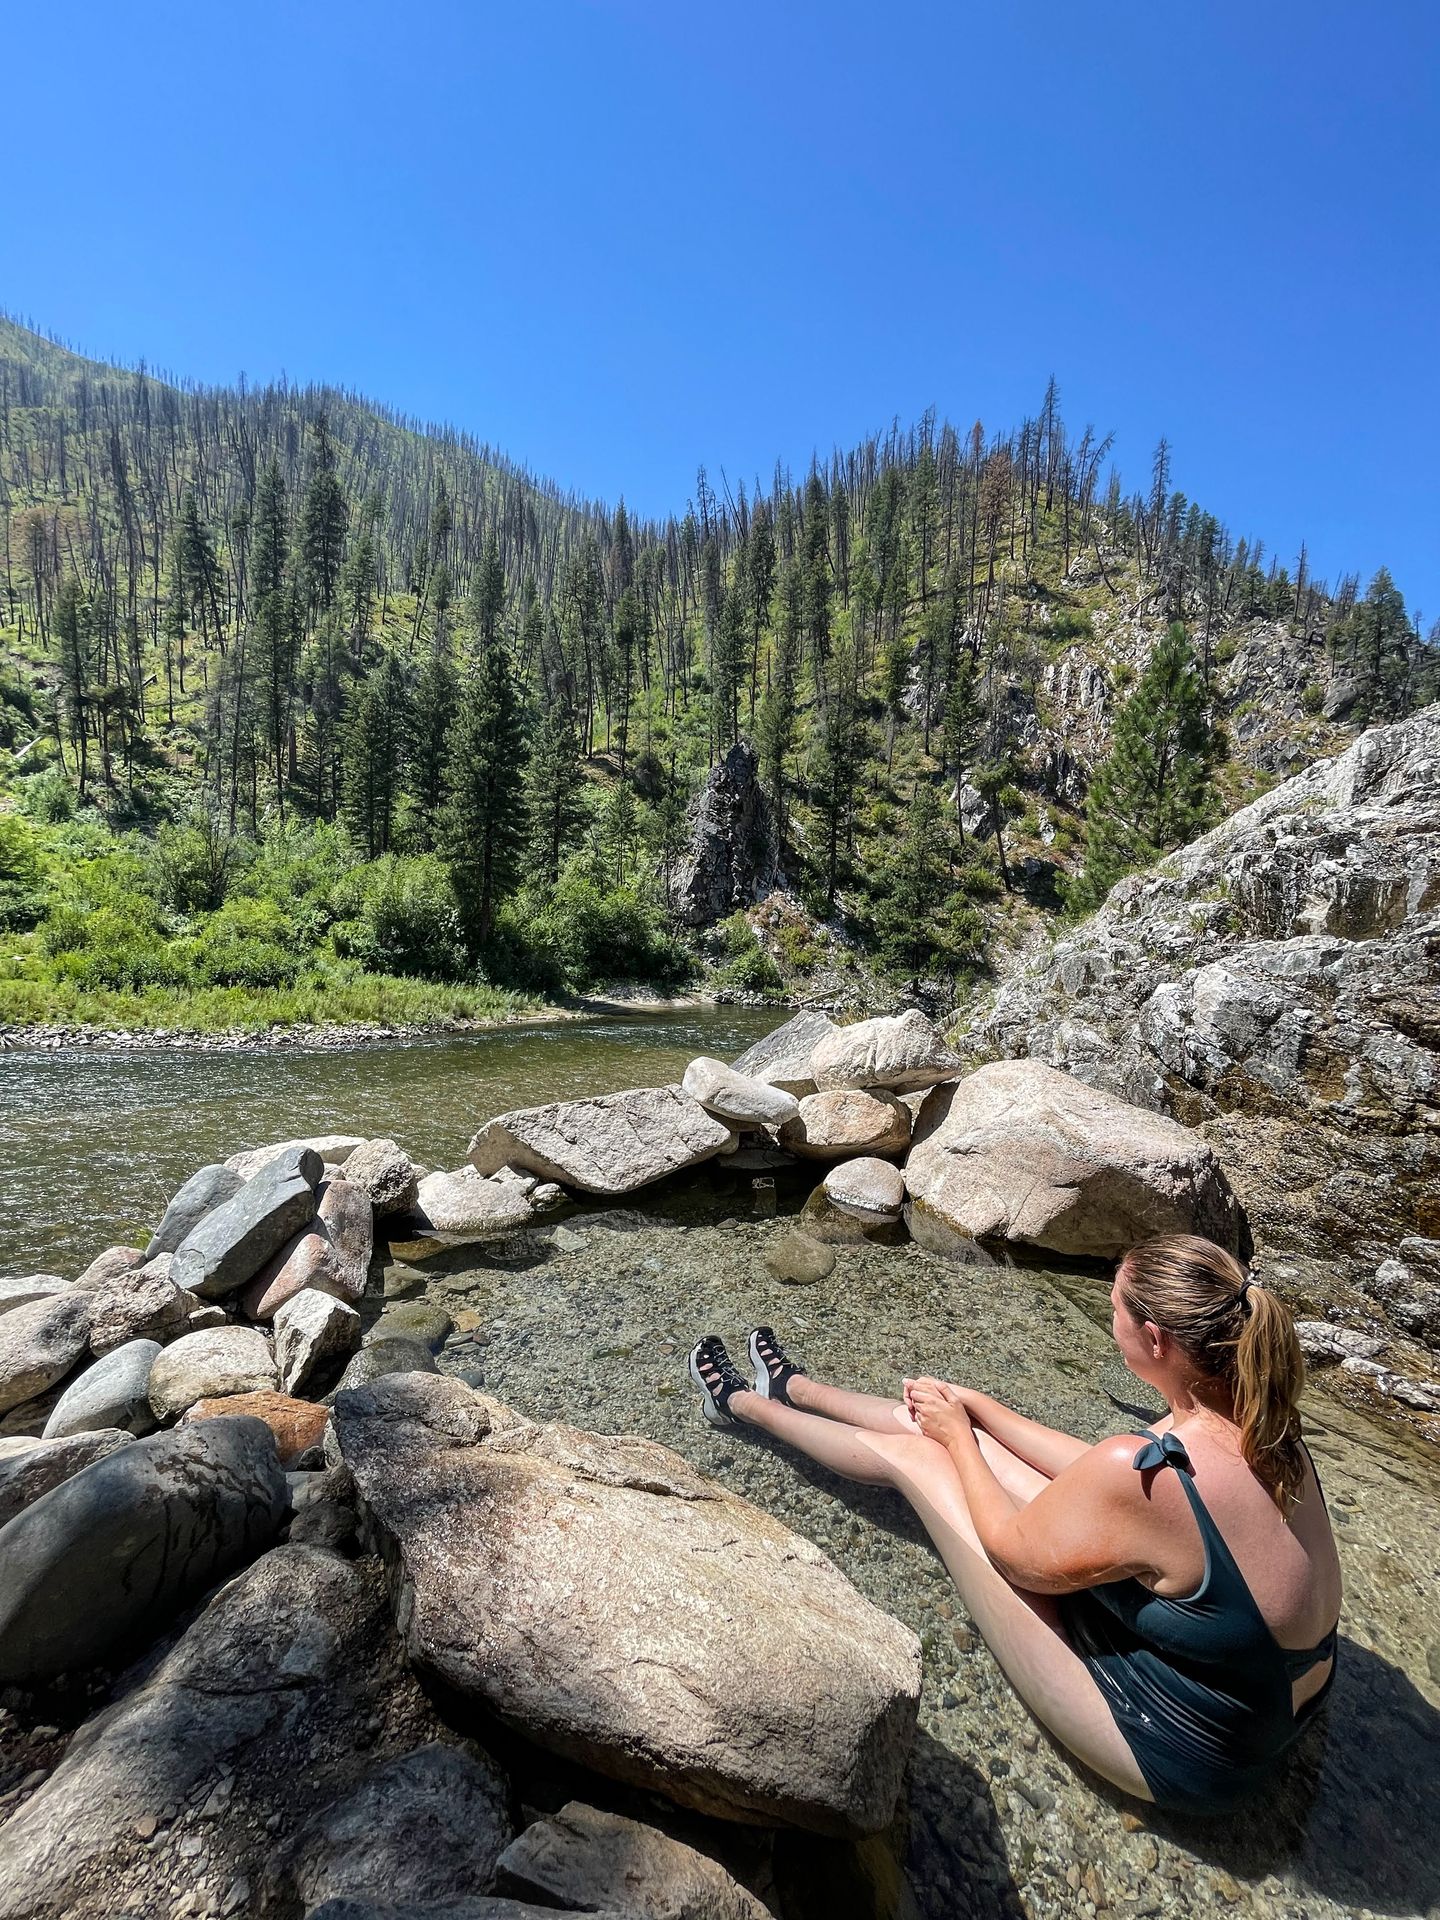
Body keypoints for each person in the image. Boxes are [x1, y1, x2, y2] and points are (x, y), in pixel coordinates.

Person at [687, 1233, 1341, 1817]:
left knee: (923, 1456)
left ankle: (739, 1404)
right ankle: (795, 1389)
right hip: (1268, 1702)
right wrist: (980, 1411)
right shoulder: (1258, 1418)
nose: (1107, 1319)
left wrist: (958, 1441)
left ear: (1156, 1340)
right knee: (962, 1435)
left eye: (1113, 1308)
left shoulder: (1156, 1473)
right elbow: (1099, 1471)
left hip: (1188, 1750)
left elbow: (1014, 1554)